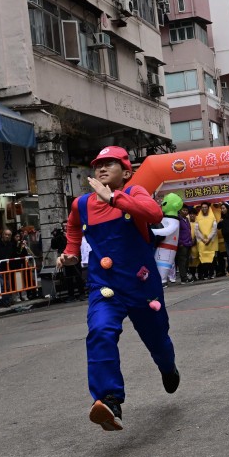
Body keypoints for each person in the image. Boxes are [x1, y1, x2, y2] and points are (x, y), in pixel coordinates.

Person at [57, 145, 179, 431]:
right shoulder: (81, 204)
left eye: (110, 164)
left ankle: (167, 366)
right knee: (100, 331)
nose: (101, 168)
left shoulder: (134, 193)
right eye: (98, 164)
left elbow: (154, 214)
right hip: (104, 285)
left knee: (157, 338)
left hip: (141, 284)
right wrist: (70, 252)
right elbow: (73, 228)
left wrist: (113, 198)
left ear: (126, 173)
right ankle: (109, 400)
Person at [151, 193, 183, 286]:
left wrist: (152, 231)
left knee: (162, 265)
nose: (162, 204)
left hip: (167, 248)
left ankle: (162, 280)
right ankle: (160, 280)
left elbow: (167, 231)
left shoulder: (174, 222)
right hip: (161, 246)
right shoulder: (168, 219)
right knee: (157, 263)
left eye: (164, 203)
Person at [193, 202, 218, 280]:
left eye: (205, 207)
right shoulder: (198, 218)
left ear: (208, 208)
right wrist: (203, 239)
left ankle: (211, 273)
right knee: (203, 258)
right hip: (202, 241)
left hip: (210, 241)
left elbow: (214, 229)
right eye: (203, 207)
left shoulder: (212, 217)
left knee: (211, 257)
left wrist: (209, 238)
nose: (204, 208)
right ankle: (205, 274)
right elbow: (196, 230)